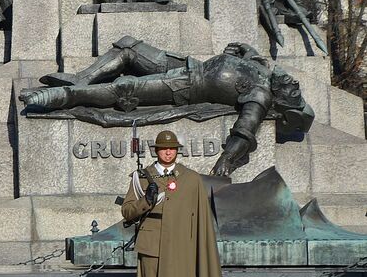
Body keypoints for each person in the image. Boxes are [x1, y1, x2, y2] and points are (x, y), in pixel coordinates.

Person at [22, 38, 315, 176]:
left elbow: (245, 132)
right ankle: (81, 80)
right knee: (128, 48)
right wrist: (242, 49)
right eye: (295, 86)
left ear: (281, 101)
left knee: (123, 88)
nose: (292, 83)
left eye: (292, 91)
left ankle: (61, 96)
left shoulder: (260, 95)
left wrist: (226, 160)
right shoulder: (262, 67)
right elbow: (244, 51)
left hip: (184, 87)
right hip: (184, 64)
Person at [120, 130, 228, 277]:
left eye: (172, 148)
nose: (168, 152)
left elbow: (201, 218)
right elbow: (127, 212)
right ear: (156, 151)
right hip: (153, 247)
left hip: (182, 247)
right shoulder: (142, 177)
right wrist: (145, 201)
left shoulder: (190, 179)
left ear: (177, 151)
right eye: (163, 148)